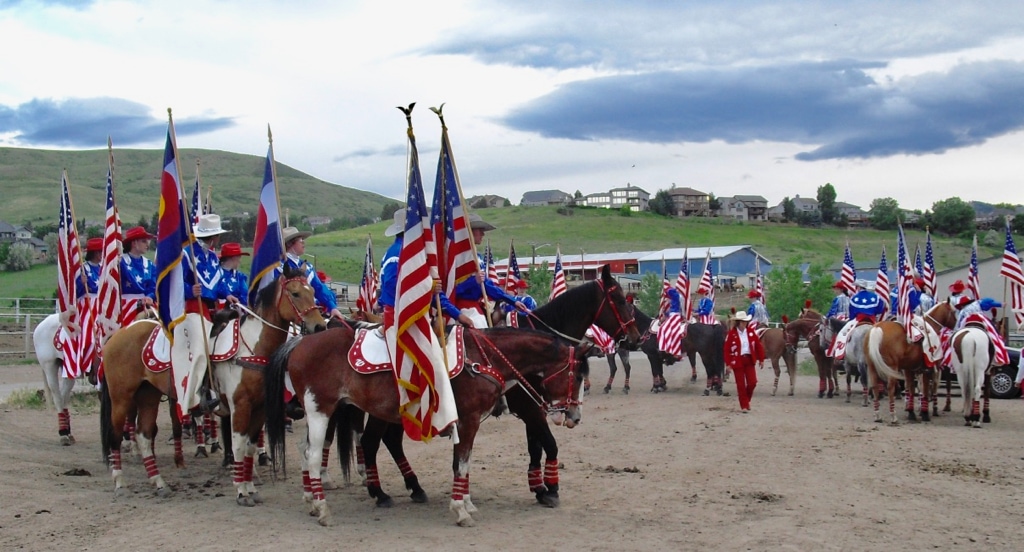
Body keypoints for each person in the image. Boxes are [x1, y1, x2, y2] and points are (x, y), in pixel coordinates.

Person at [174, 214, 237, 418]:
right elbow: (173, 284)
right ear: (214, 237)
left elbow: (216, 285)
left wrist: (226, 294)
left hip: (211, 310)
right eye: (217, 235)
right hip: (191, 309)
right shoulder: (186, 254)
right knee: (201, 347)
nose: (217, 239)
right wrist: (189, 290)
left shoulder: (211, 257)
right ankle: (195, 396)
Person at [448, 213, 524, 328]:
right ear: (470, 232)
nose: (483, 234)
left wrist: (513, 301)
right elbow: (449, 289)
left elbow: (488, 285)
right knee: (478, 326)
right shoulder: (456, 259)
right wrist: (474, 281)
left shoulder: (478, 257)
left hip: (476, 307)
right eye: (480, 230)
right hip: (459, 307)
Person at [282, 226, 344, 321]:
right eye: (300, 240)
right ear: (290, 243)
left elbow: (319, 288)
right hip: (294, 317)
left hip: (314, 312)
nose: (303, 242)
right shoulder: (280, 267)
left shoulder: (308, 267)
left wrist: (332, 307)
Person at [723, 311, 764, 413]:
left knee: (752, 382)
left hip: (749, 359)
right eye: (742, 322)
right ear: (738, 322)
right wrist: (728, 363)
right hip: (737, 360)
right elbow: (727, 349)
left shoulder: (750, 332)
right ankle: (744, 405)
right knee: (740, 384)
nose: (744, 324)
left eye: (745, 322)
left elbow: (758, 346)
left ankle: (746, 400)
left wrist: (761, 359)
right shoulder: (732, 334)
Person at [119, 226, 157, 326]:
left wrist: (149, 297)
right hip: (126, 305)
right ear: (134, 243)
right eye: (144, 241)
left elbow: (153, 286)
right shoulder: (120, 262)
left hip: (146, 304)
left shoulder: (150, 264)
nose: (147, 244)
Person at [218, 242, 250, 308]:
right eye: (239, 258)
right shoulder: (215, 274)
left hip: (237, 312)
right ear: (234, 258)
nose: (240, 261)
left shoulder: (239, 276)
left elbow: (244, 295)